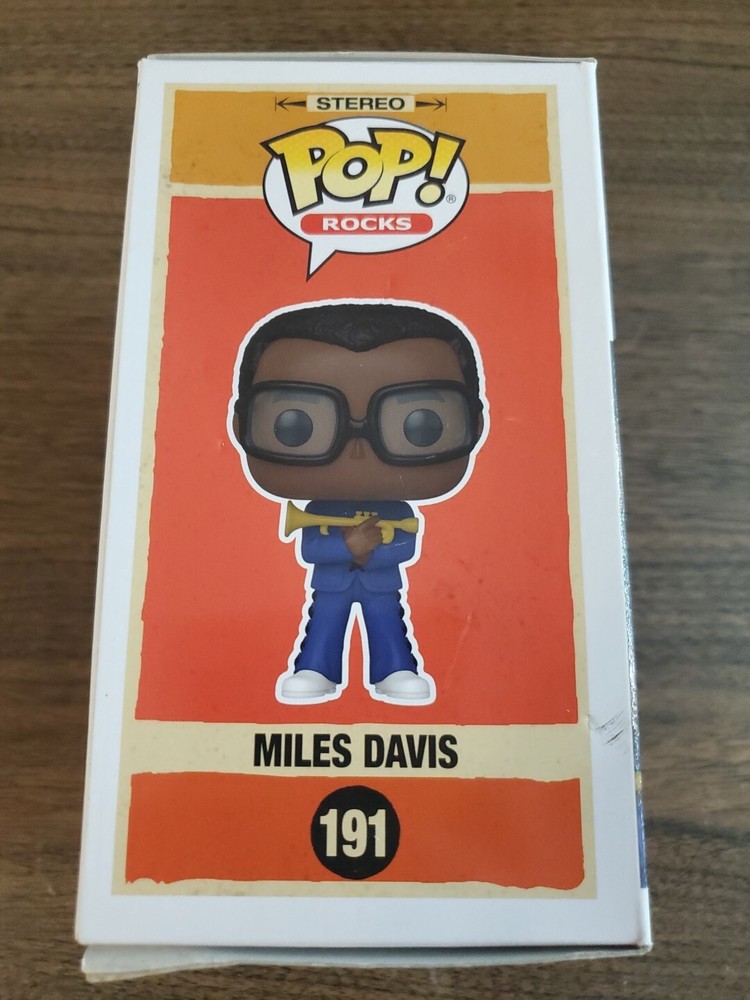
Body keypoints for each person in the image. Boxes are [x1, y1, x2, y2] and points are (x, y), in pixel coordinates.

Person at [230, 300, 485, 703]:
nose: (358, 451)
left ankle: (395, 669)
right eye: (295, 426)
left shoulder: (398, 513)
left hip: (381, 582)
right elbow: (311, 547)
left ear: (475, 425)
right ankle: (315, 668)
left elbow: (406, 545)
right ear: (241, 426)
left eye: (421, 426)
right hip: (331, 582)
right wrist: (350, 545)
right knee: (323, 625)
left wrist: (370, 549)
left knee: (389, 624)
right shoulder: (318, 511)